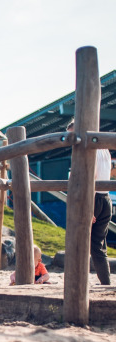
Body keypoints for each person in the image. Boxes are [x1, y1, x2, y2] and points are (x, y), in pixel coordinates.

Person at [67, 119, 111, 285]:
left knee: (80, 241)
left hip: (93, 198)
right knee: (98, 245)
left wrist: (89, 207)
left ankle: (77, 281)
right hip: (105, 198)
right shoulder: (104, 147)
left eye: (73, 135)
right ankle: (105, 281)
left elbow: (90, 178)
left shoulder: (88, 148)